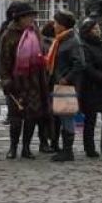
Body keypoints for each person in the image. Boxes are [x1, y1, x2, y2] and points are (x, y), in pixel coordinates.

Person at [0, 2, 50, 160]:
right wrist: (6, 80)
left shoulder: (35, 32)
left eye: (32, 17)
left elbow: (41, 51)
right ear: (20, 18)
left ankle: (26, 148)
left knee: (31, 116)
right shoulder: (9, 34)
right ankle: (13, 147)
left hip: (34, 81)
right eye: (29, 17)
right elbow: (3, 59)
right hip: (16, 81)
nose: (32, 19)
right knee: (16, 117)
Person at [47, 11, 86, 163]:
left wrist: (66, 78)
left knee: (66, 116)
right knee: (62, 116)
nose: (54, 25)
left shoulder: (72, 41)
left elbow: (79, 64)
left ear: (63, 25)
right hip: (58, 84)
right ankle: (64, 149)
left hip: (66, 86)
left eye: (56, 23)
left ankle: (68, 151)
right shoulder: (61, 40)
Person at [78, 18, 102, 158]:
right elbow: (88, 68)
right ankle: (90, 148)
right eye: (94, 29)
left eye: (98, 28)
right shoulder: (84, 46)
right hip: (92, 87)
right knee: (90, 119)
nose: (98, 31)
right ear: (87, 31)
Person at [37, 21, 60, 153]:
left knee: (54, 115)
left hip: (53, 82)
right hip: (47, 82)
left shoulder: (58, 42)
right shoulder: (45, 44)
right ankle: (46, 141)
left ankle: (51, 141)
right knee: (46, 114)